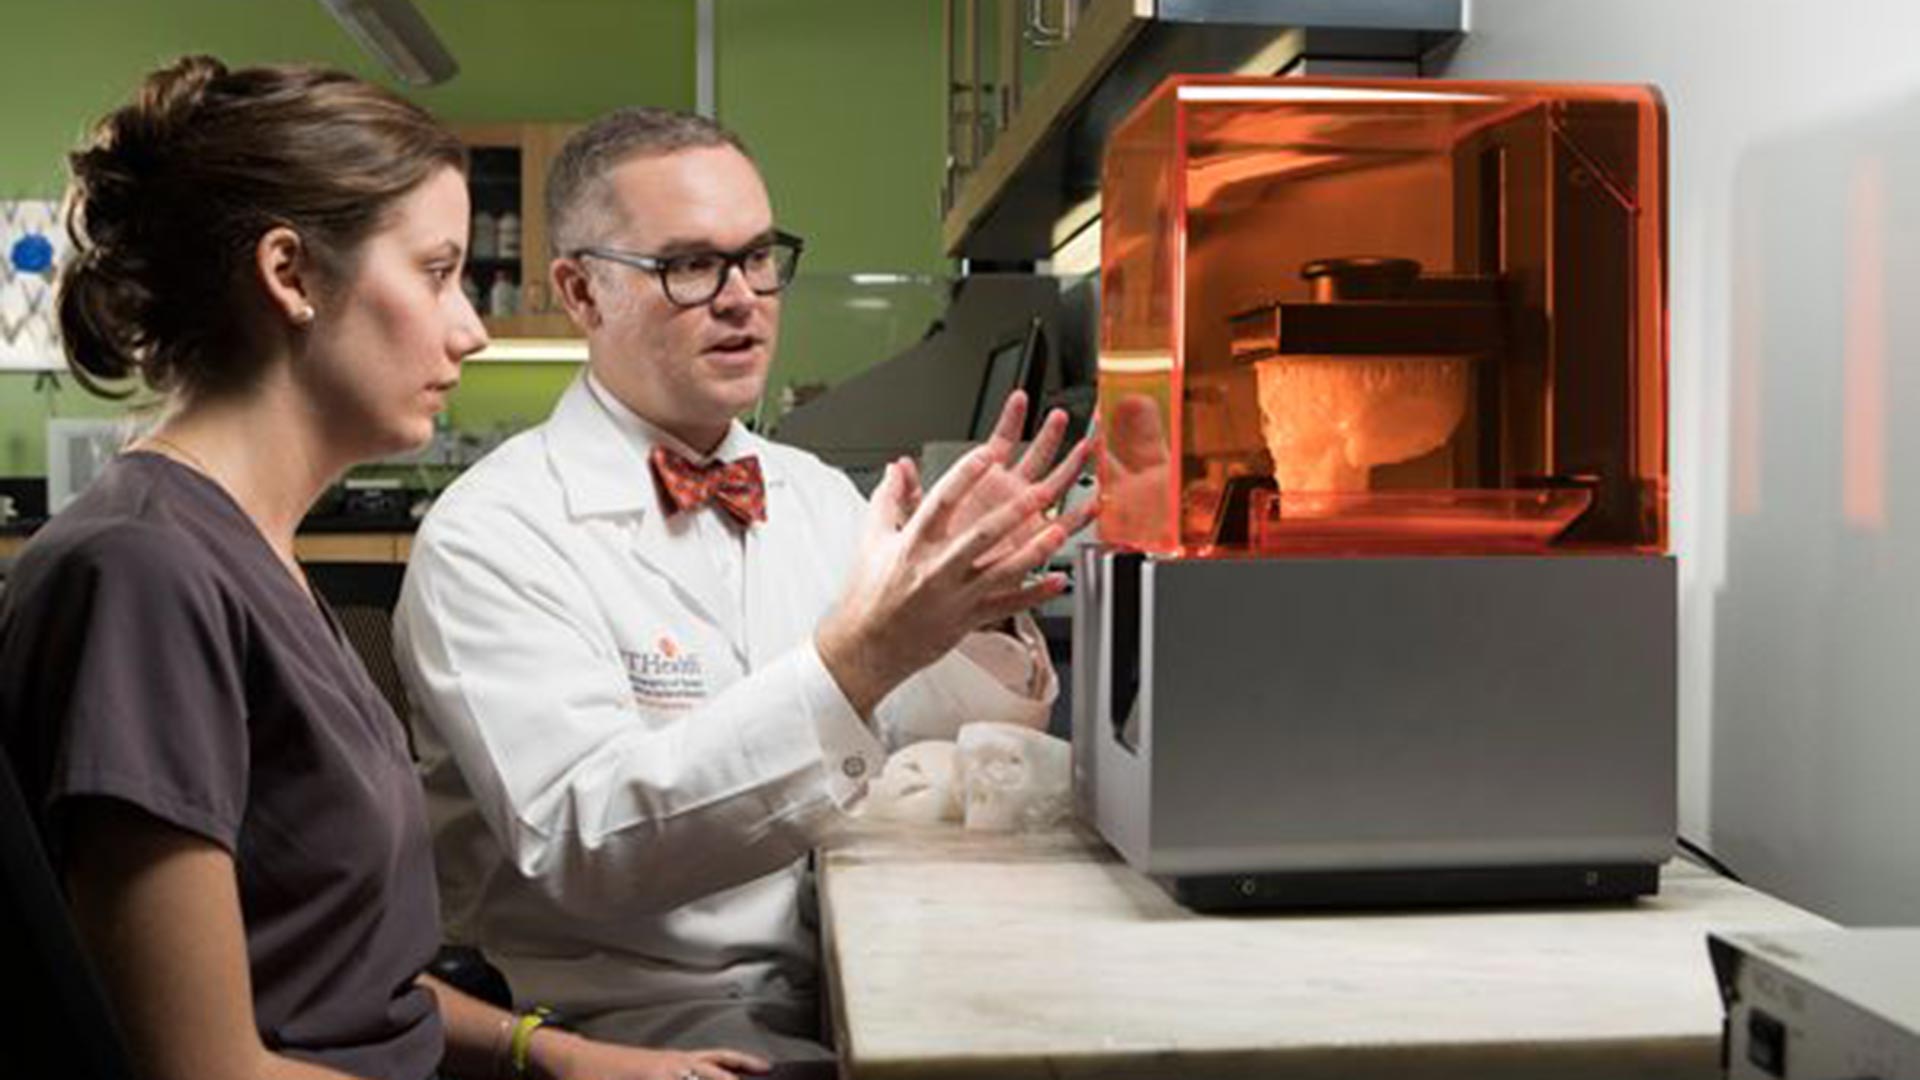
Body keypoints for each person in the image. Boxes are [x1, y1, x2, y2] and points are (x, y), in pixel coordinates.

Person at [0, 58, 767, 1080]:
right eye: (437, 272)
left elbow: (338, 979)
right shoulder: (143, 575)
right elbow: (210, 1069)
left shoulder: (249, 551)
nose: (472, 328)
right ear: (291, 275)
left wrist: (561, 1057)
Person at [391, 107, 1095, 1066]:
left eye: (758, 258)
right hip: (631, 1029)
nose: (741, 299)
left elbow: (919, 745)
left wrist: (981, 601)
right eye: (689, 265)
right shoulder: (494, 534)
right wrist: (859, 658)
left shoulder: (813, 493)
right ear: (582, 291)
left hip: (845, 969)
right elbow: (584, 841)